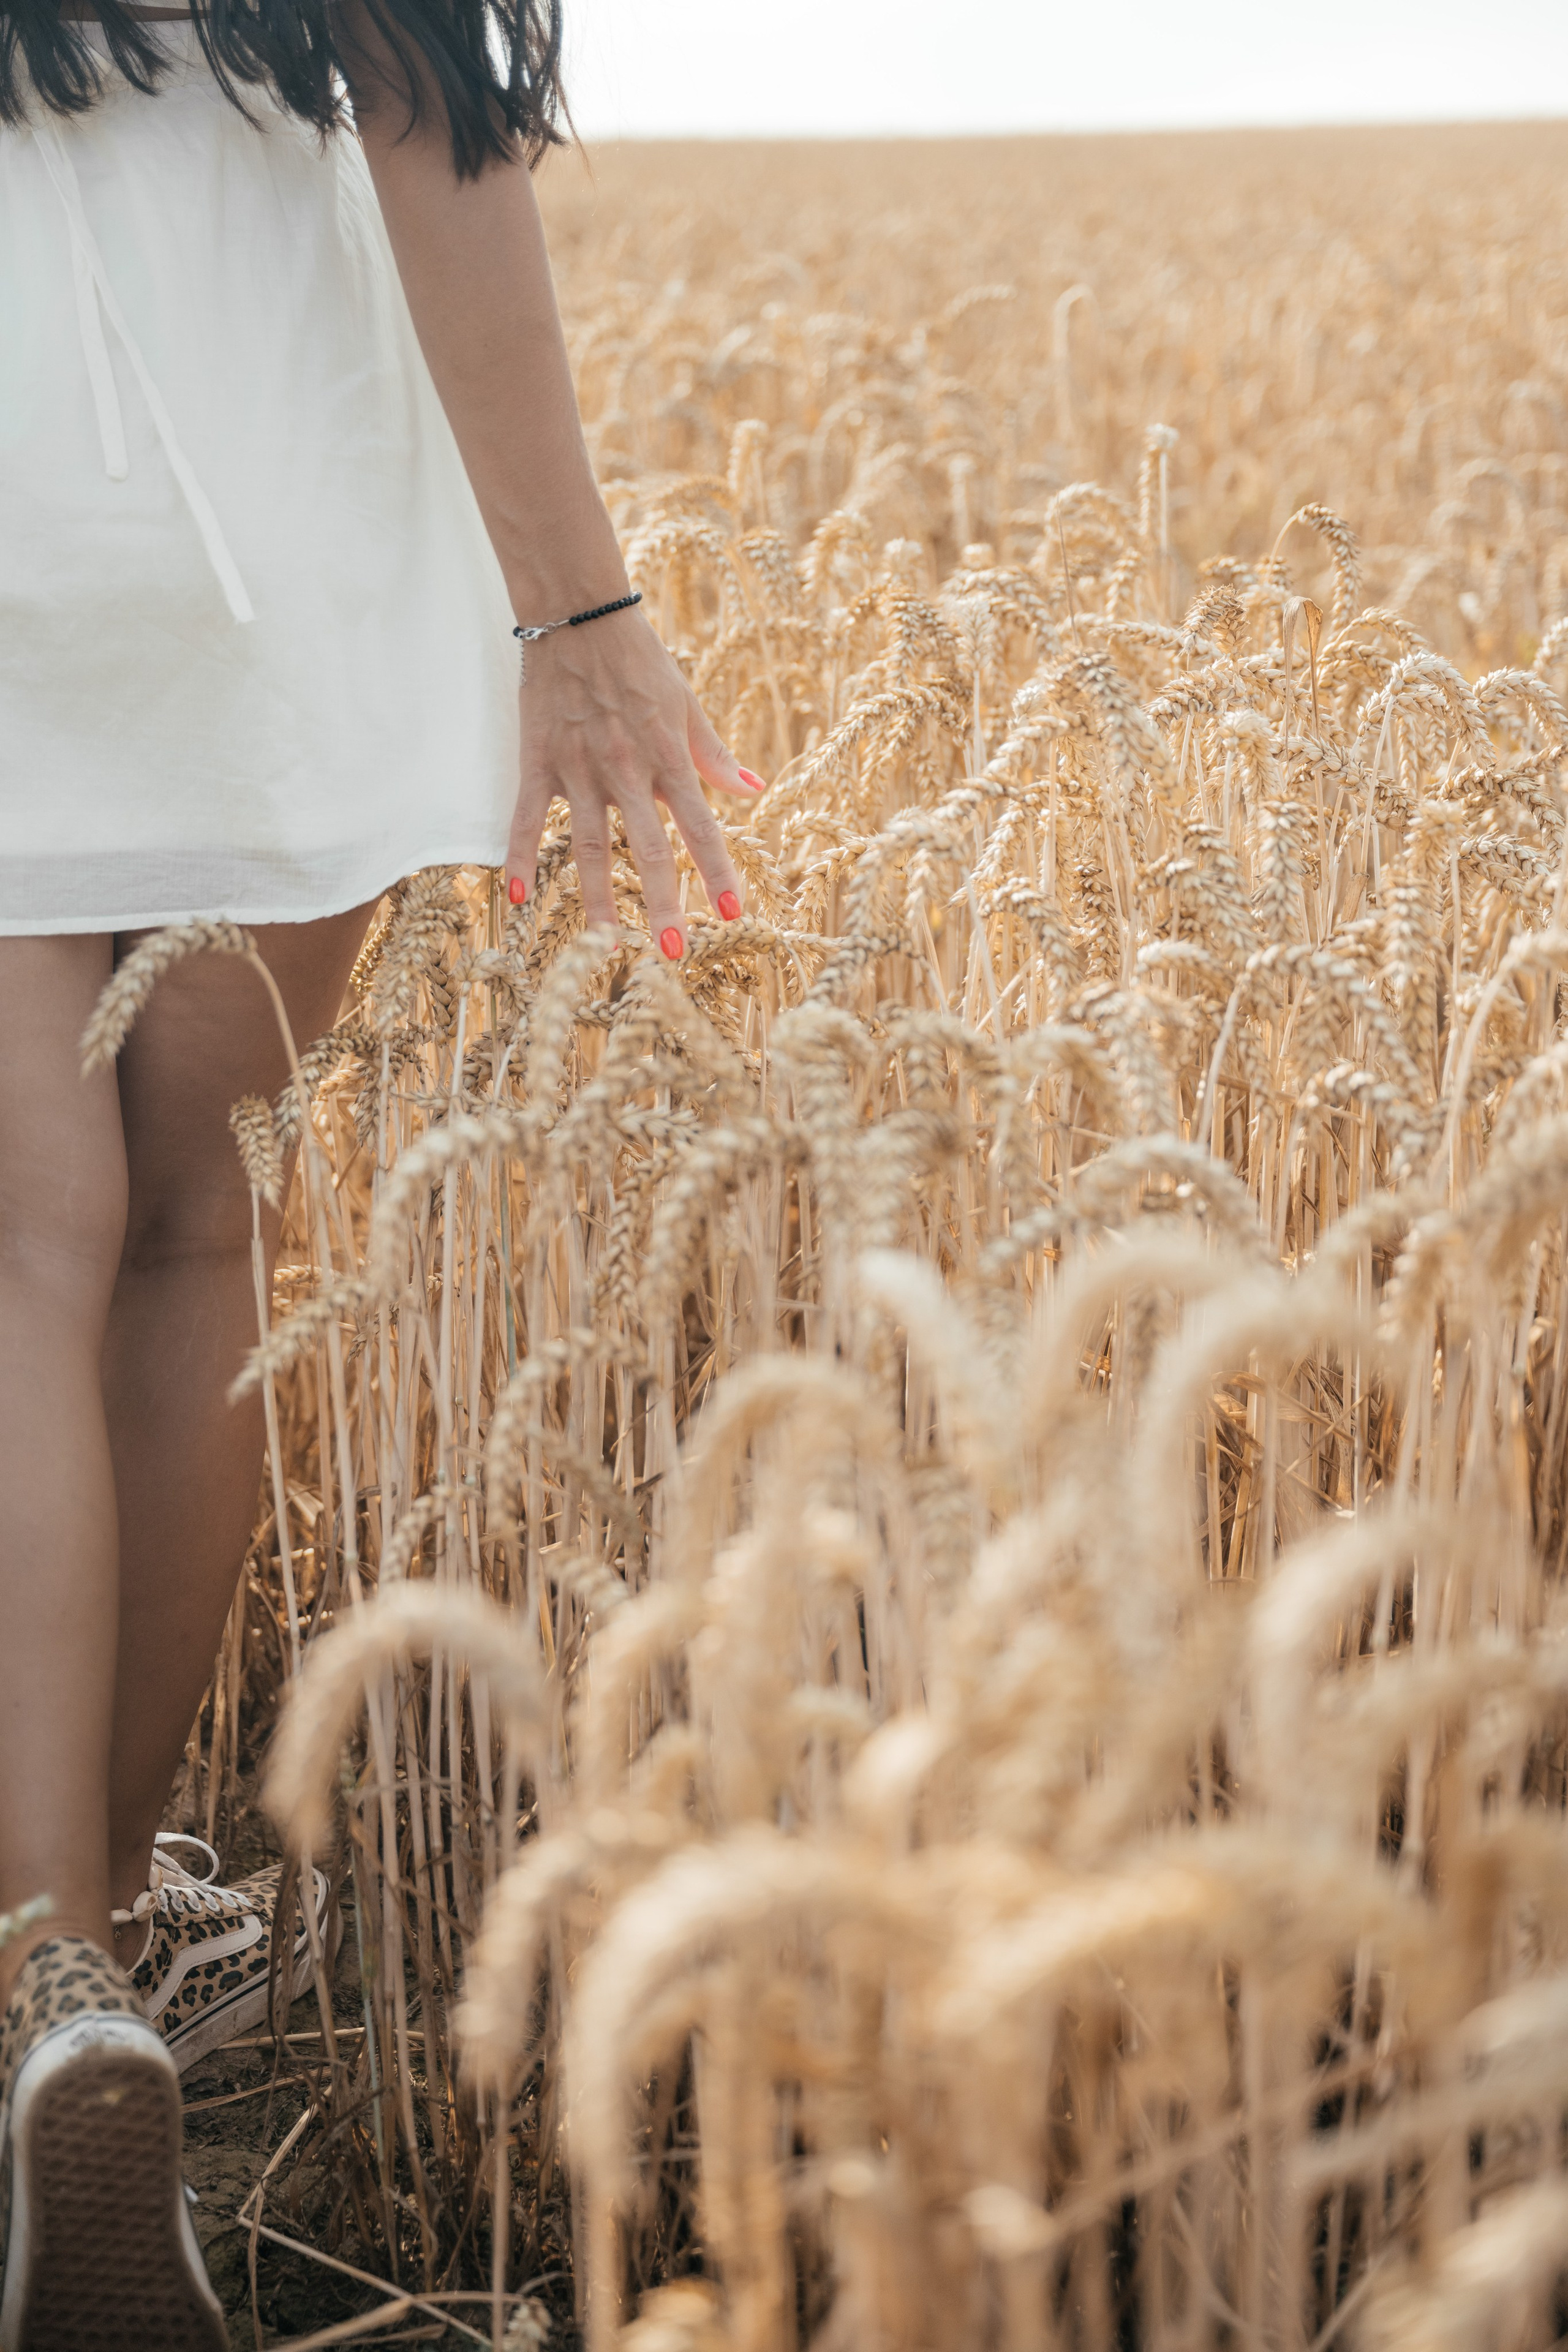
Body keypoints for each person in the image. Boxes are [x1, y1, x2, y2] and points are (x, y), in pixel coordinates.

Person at [0, 0, 760, 2333]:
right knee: (201, 1217)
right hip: (281, 500)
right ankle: (114, 1947)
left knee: (23, 1237)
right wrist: (586, 618)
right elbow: (441, 113)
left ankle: (42, 1997)